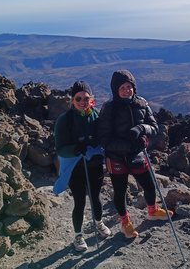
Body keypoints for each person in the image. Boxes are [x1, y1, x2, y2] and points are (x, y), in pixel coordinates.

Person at [98, 70, 173, 238]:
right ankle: (125, 223)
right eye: (122, 87)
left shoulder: (142, 104)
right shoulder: (109, 108)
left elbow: (154, 127)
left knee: (149, 185)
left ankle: (152, 212)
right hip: (116, 158)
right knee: (120, 191)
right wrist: (128, 145)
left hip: (138, 154)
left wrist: (142, 130)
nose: (127, 91)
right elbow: (103, 139)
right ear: (115, 89)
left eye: (129, 86)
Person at [54, 80, 111, 252]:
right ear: (72, 99)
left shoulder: (96, 116)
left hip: (94, 167)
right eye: (78, 98)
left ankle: (99, 223)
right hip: (75, 169)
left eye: (86, 98)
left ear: (91, 99)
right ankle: (78, 235)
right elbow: (60, 149)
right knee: (79, 202)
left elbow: (104, 136)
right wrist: (75, 149)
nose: (82, 102)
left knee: (96, 198)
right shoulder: (64, 121)